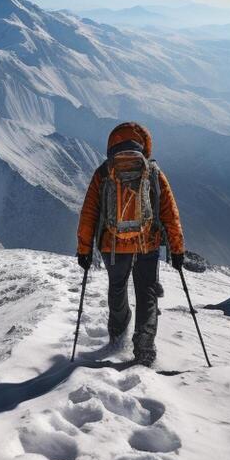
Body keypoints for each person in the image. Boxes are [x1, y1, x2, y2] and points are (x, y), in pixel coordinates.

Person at [76, 121, 185, 367]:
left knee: (117, 287)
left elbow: (89, 213)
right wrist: (177, 249)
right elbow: (169, 213)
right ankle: (144, 345)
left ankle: (118, 331)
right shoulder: (153, 172)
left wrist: (84, 249)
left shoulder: (104, 172)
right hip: (147, 244)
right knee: (146, 291)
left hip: (112, 246)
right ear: (145, 145)